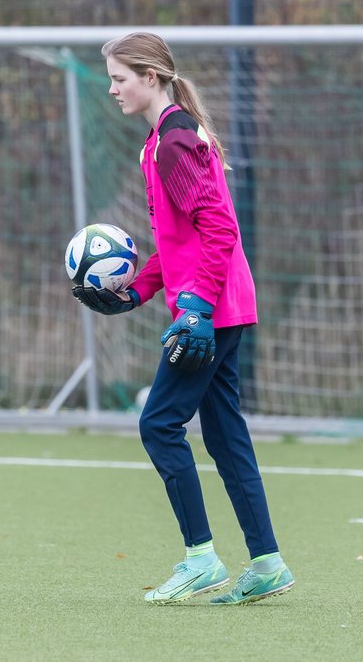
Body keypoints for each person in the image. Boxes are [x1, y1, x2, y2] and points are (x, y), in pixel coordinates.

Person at [72, 31, 294, 605]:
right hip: (222, 304)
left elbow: (220, 228)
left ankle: (201, 558)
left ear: (151, 77)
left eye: (120, 78)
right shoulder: (158, 144)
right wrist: (135, 293)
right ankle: (267, 561)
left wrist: (194, 308)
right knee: (223, 434)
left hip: (212, 309)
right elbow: (179, 243)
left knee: (158, 424)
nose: (113, 89)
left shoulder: (173, 143)